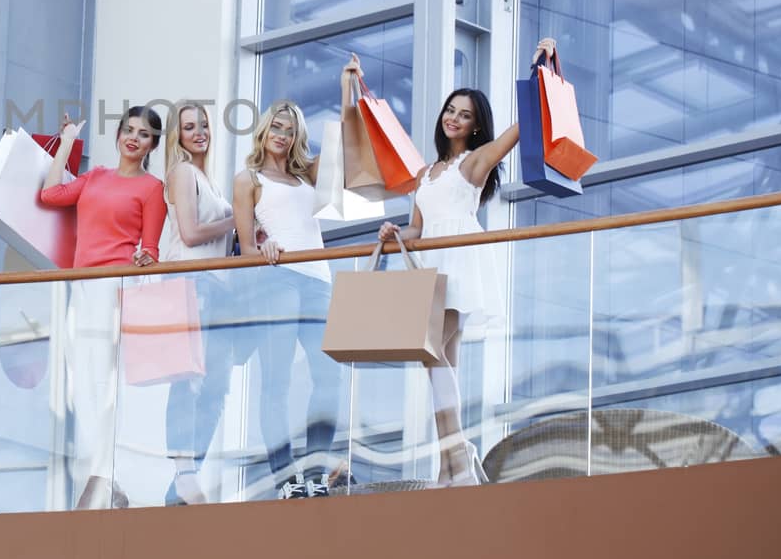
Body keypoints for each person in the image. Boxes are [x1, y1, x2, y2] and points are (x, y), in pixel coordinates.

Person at [360, 37, 558, 486]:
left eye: (465, 114)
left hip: (459, 259)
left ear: (474, 126)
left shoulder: (474, 163)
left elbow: (519, 130)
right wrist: (394, 232)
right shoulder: (425, 173)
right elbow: (418, 228)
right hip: (432, 262)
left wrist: (540, 71)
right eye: (451, 109)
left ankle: (455, 459)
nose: (454, 118)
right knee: (441, 359)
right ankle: (454, 461)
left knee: (434, 355)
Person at [39, 105, 167, 509]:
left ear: (152, 144)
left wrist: (145, 260)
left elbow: (151, 248)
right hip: (82, 286)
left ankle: (102, 478)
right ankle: (103, 480)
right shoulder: (95, 178)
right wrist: (67, 143)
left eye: (143, 134)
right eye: (128, 130)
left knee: (106, 386)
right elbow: (50, 193)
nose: (133, 138)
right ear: (118, 135)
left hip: (117, 287)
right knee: (83, 385)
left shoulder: (152, 188)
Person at [233, 99, 346, 498]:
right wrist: (262, 251)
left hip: (318, 280)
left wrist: (346, 88)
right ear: (264, 131)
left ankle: (316, 471)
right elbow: (246, 247)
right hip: (278, 279)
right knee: (276, 380)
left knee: (330, 376)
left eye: (290, 130)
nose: (281, 136)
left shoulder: (307, 176)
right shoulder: (248, 179)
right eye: (276, 128)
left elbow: (342, 140)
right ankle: (286, 478)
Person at [155, 102, 236, 505]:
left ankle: (185, 480)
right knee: (188, 380)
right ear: (178, 135)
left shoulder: (209, 179)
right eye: (190, 126)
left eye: (203, 124)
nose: (200, 131)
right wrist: (236, 220)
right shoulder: (183, 172)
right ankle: (184, 470)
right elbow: (188, 234)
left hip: (215, 286)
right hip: (188, 281)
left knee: (216, 387)